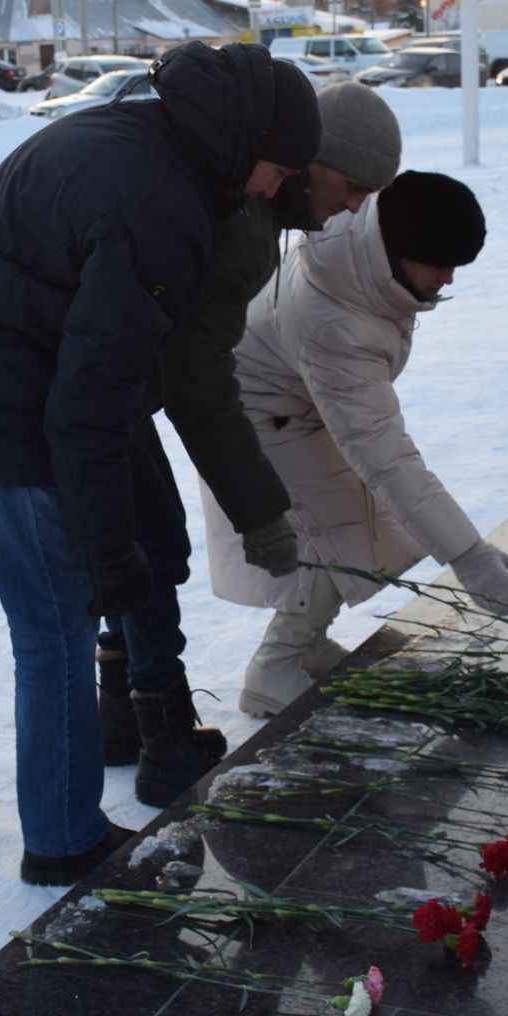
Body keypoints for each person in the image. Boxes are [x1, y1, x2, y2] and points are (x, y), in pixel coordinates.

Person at [0, 41, 320, 883]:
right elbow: (94, 400)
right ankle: (64, 836)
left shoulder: (122, 129)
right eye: (278, 170)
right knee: (55, 626)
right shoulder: (165, 206)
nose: (272, 192)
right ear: (246, 137)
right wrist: (110, 549)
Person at [101, 81, 404, 807]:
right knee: (138, 551)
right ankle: (160, 736)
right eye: (354, 186)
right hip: (95, 382)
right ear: (304, 161)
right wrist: (258, 511)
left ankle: (121, 721)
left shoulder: (231, 186)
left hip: (103, 379)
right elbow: (200, 376)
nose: (359, 208)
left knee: (126, 547)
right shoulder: (241, 219)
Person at [203, 172, 508, 716]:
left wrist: (468, 547)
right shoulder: (334, 322)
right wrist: (469, 557)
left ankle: (306, 645)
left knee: (362, 520)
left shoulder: (369, 246)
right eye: (439, 264)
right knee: (333, 532)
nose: (447, 280)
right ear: (398, 252)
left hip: (298, 398)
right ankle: (274, 667)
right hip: (257, 413)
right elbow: (387, 458)